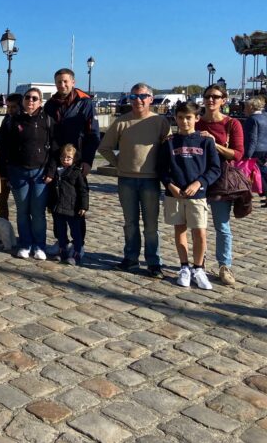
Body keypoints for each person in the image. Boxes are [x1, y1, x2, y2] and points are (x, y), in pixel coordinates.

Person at [98, 83, 171, 278]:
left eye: (142, 96)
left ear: (150, 99)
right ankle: (130, 258)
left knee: (151, 225)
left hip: (150, 180)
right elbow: (104, 147)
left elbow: (169, 150)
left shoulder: (160, 122)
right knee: (130, 223)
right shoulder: (121, 122)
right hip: (127, 179)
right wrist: (118, 163)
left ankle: (154, 262)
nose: (138, 100)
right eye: (133, 97)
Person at [157, 101, 220, 290]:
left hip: (197, 194)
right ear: (175, 119)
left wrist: (199, 183)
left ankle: (198, 268)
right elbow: (161, 168)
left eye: (189, 118)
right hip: (175, 194)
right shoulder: (169, 142)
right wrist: (169, 185)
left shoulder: (206, 141)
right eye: (181, 118)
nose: (185, 122)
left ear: (196, 118)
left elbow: (215, 168)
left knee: (200, 232)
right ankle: (184, 266)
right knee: (180, 230)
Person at [44, 68, 100, 256]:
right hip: (56, 159)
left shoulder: (84, 103)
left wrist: (88, 161)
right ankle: (61, 241)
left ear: (73, 82)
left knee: (76, 205)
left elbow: (93, 134)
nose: (62, 85)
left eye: (66, 81)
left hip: (76, 160)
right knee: (56, 203)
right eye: (59, 82)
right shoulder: (51, 105)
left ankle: (79, 243)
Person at [0, 87, 56, 260]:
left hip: (40, 173)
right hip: (18, 172)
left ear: (40, 102)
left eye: (34, 98)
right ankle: (25, 243)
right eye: (28, 98)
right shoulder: (13, 121)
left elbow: (54, 148)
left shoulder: (48, 121)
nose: (31, 101)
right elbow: (2, 149)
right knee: (22, 211)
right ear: (23, 101)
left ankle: (39, 245)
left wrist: (51, 171)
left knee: (38, 212)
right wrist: (3, 173)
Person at [196, 84, 243, 286]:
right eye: (207, 96)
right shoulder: (196, 123)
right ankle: (199, 263)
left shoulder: (231, 124)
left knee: (222, 226)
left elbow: (238, 154)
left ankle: (225, 265)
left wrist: (213, 143)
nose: (211, 100)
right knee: (198, 225)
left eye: (216, 97)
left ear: (224, 100)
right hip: (197, 179)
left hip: (220, 182)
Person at [47, 144, 89, 265]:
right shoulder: (56, 172)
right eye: (63, 157)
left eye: (69, 158)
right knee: (60, 231)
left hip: (73, 208)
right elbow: (52, 191)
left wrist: (83, 206)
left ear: (74, 159)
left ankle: (76, 252)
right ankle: (62, 250)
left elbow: (83, 191)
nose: (65, 160)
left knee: (76, 232)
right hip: (58, 208)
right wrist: (50, 205)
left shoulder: (77, 172)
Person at [0, 93, 22, 220]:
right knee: (1, 201)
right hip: (2, 167)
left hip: (17, 168)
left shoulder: (23, 121)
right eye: (8, 107)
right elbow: (0, 144)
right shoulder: (6, 119)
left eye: (14, 107)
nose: (10, 110)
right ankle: (3, 226)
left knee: (21, 203)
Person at [243, 96, 267, 205]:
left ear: (251, 107)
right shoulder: (265, 117)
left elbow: (252, 139)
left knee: (256, 175)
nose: (244, 110)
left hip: (255, 150)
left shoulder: (252, 120)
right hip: (265, 149)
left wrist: (247, 155)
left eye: (246, 107)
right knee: (263, 173)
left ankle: (263, 193)